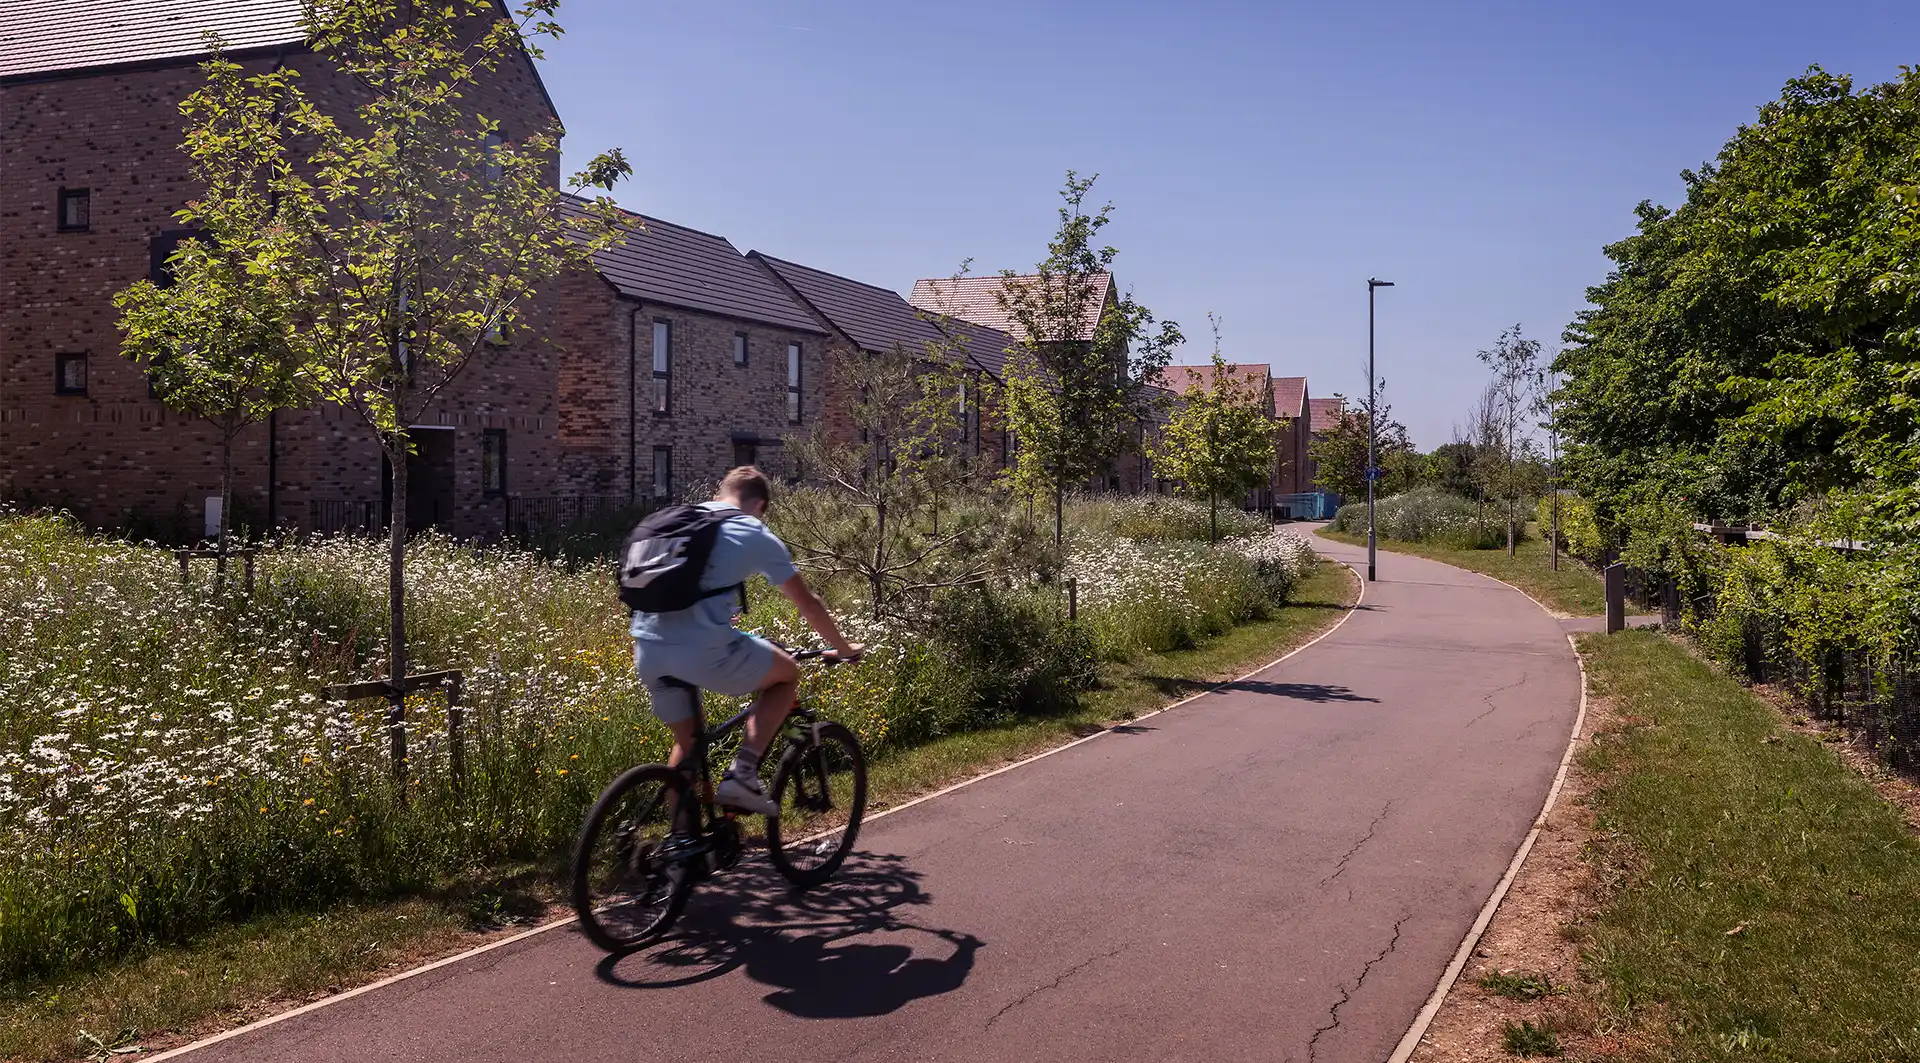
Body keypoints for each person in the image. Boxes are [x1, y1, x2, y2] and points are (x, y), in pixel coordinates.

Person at [631, 466, 861, 816]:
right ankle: (742, 775)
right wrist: (843, 648)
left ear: (719, 491)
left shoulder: (683, 520)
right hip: (701, 652)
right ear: (760, 505)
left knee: (689, 745)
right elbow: (807, 604)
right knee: (786, 676)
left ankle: (681, 846)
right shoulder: (751, 530)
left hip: (646, 648)